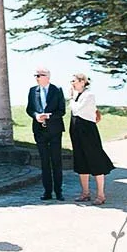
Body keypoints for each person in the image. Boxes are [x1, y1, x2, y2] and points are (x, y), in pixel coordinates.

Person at [69, 73, 114, 205]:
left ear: (82, 82)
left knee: (95, 159)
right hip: (76, 131)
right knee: (80, 160)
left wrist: (71, 99)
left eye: (74, 81)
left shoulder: (89, 95)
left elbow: (77, 110)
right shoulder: (77, 96)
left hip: (88, 131)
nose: (72, 83)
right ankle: (85, 193)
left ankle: (101, 194)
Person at [28, 67, 66, 200]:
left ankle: (59, 191)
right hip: (39, 131)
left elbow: (62, 111)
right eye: (36, 75)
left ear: (47, 77)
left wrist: (49, 116)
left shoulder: (57, 90)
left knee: (56, 161)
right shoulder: (33, 91)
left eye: (40, 75)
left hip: (55, 130)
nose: (37, 77)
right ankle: (47, 192)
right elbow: (29, 109)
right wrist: (36, 116)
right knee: (44, 162)